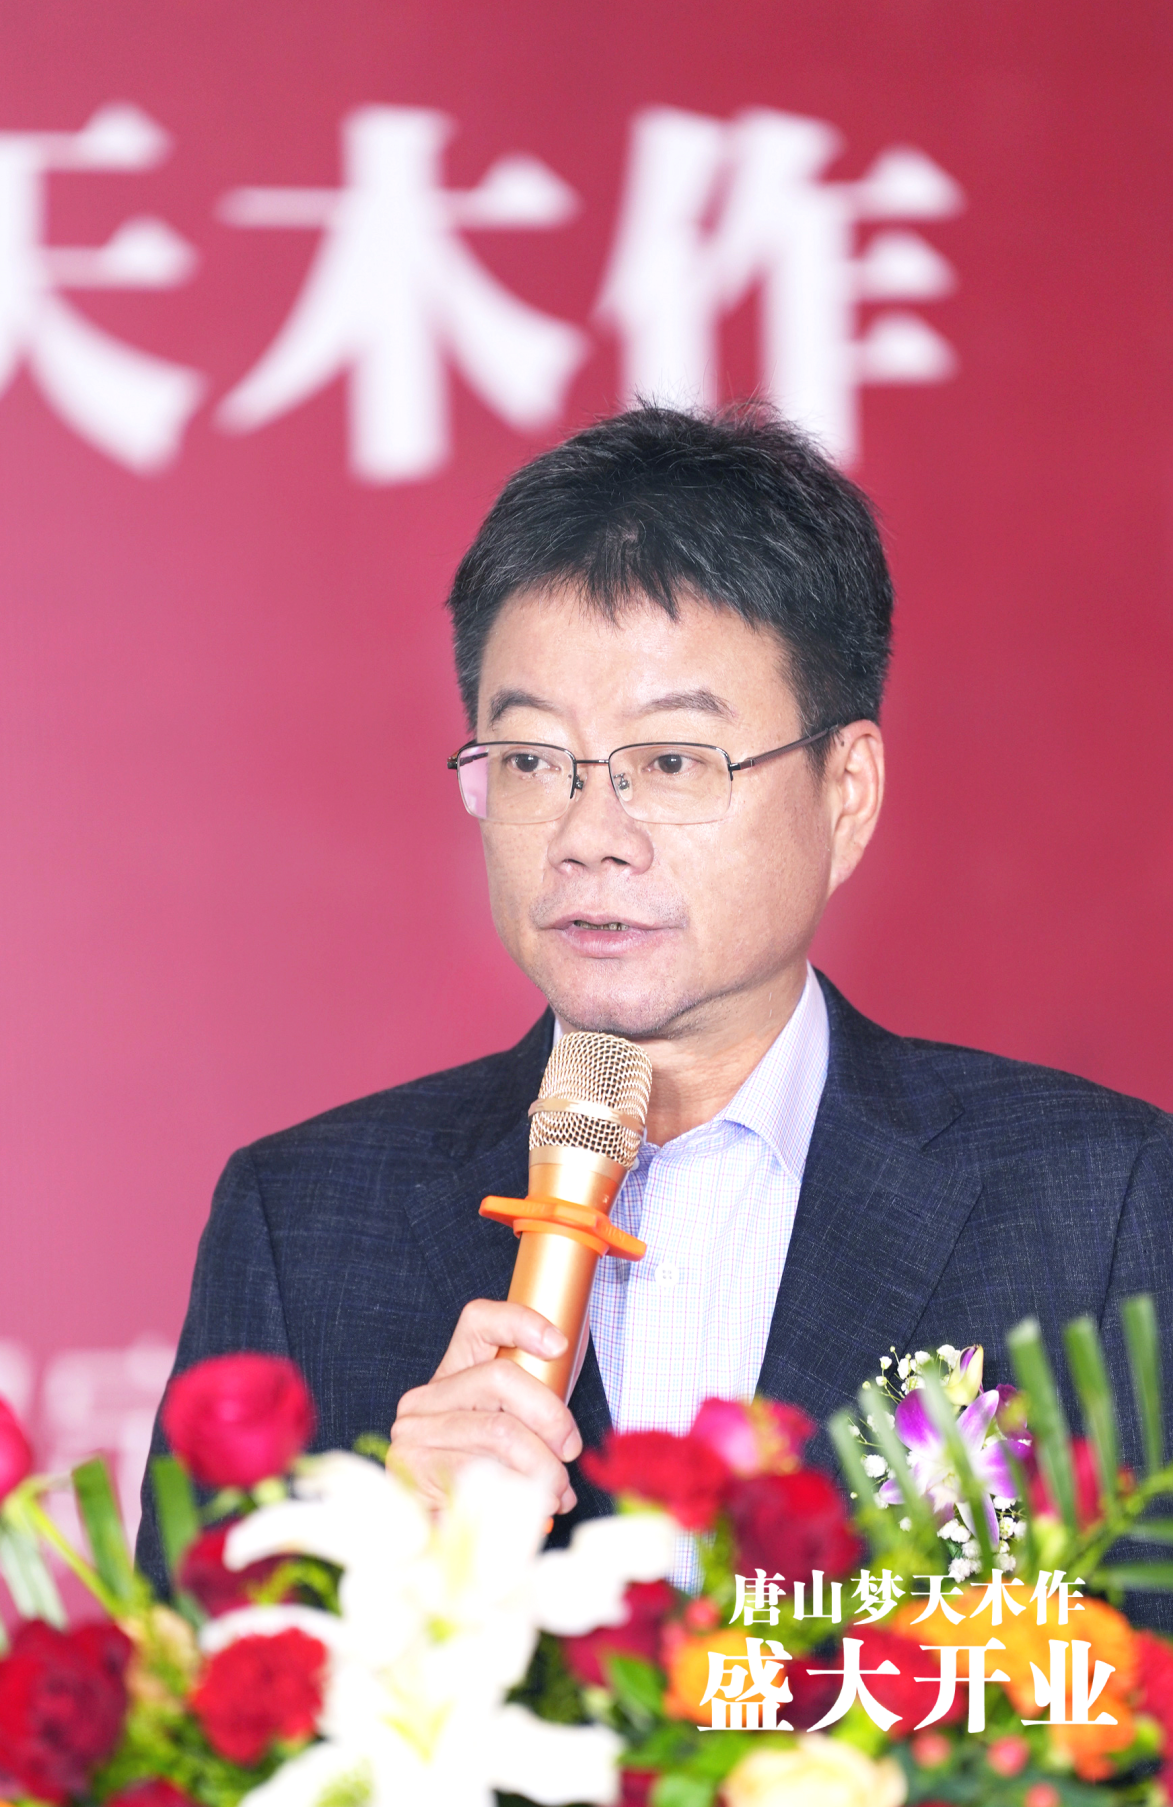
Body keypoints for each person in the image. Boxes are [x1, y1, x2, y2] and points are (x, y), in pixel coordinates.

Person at [137, 405, 1172, 1586]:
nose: (588, 834)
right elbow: (188, 1687)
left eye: (670, 762)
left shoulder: (1094, 1202)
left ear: (844, 789)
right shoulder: (306, 1223)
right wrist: (390, 1561)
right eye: (531, 762)